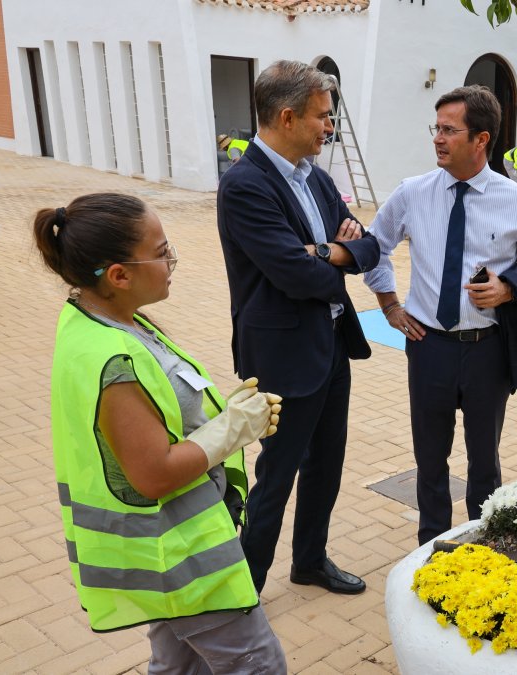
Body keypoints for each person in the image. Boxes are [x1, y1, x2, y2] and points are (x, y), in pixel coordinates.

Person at [37, 193, 287, 672]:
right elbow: (152, 474)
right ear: (119, 275)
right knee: (258, 665)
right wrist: (230, 432)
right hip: (179, 551)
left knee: (178, 667)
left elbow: (161, 420)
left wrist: (221, 418)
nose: (172, 262)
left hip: (165, 549)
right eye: (162, 251)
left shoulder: (104, 320)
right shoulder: (112, 358)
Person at [217, 60, 381, 594]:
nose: (328, 127)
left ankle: (309, 560)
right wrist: (334, 254)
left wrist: (326, 252)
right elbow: (295, 275)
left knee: (326, 465)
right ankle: (246, 585)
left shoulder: (317, 178)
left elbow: (369, 247)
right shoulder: (246, 186)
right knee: (278, 473)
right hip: (284, 355)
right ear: (287, 118)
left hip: (331, 343)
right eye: (321, 117)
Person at [365, 85, 517, 545]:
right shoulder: (413, 193)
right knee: (430, 460)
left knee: (484, 463)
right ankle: (431, 546)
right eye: (437, 128)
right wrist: (389, 305)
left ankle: (481, 547)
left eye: (450, 130)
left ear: (481, 139)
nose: (438, 139)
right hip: (427, 346)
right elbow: (375, 247)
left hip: (487, 351)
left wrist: (508, 289)